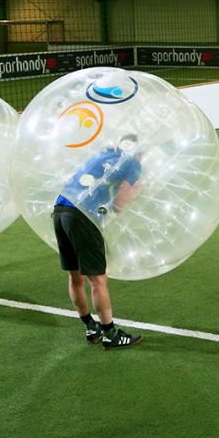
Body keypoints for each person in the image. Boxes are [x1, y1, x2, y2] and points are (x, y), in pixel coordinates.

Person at [53, 133, 143, 350]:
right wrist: (138, 192)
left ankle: (90, 328)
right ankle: (110, 335)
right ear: (139, 152)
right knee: (98, 280)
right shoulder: (132, 164)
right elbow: (118, 205)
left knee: (75, 277)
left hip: (60, 211)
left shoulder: (100, 156)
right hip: (83, 216)